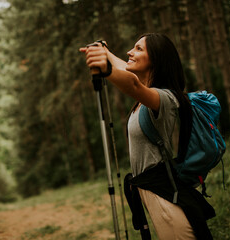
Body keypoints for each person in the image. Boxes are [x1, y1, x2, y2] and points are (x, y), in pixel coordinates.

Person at [80, 33, 215, 239]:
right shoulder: (146, 97)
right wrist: (105, 53)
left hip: (165, 199)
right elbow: (128, 71)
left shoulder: (165, 98)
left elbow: (132, 84)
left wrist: (106, 69)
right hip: (154, 194)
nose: (130, 52)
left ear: (156, 59)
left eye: (138, 49)